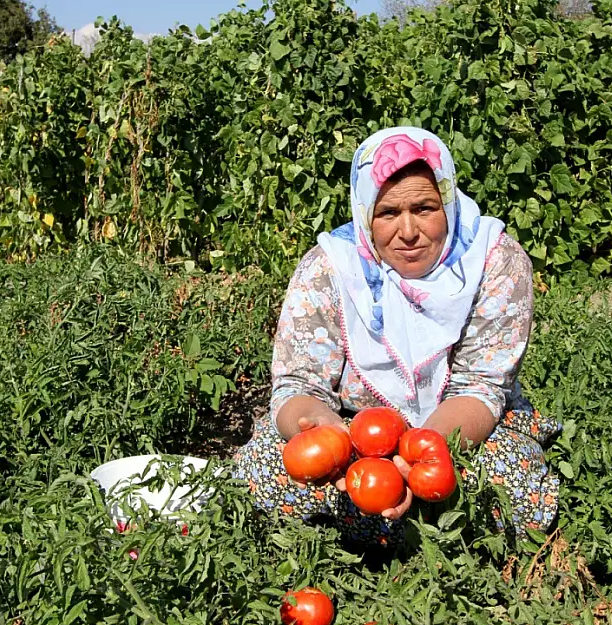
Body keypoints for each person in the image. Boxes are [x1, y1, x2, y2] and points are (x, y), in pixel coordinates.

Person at [232, 127, 561, 546]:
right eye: (388, 213)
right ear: (365, 211)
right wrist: (323, 434)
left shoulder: (493, 261)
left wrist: (421, 457)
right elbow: (298, 382)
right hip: (355, 436)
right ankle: (423, 533)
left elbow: (482, 386)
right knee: (265, 468)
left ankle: (366, 532)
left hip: (457, 434)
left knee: (510, 486)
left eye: (424, 208)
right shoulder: (331, 267)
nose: (407, 231)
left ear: (448, 200)